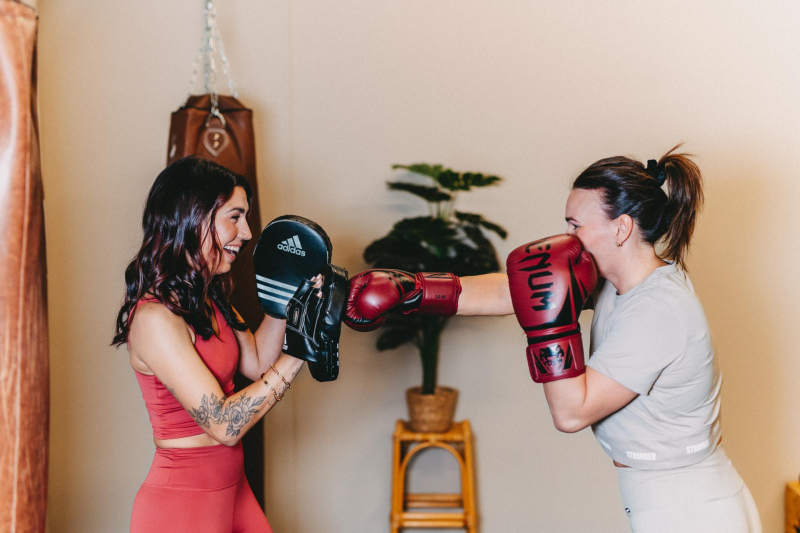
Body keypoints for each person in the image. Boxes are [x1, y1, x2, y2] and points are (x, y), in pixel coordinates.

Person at [345, 146, 762, 533]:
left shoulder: (658, 311)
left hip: (693, 511)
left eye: (576, 225)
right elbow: (514, 291)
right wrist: (414, 290)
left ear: (621, 229)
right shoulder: (624, 283)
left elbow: (571, 412)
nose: (566, 237)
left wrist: (550, 326)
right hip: (673, 501)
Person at [113, 157, 313, 533]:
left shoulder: (210, 295)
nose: (248, 232)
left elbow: (256, 363)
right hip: (183, 505)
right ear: (194, 217)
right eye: (235, 217)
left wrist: (290, 295)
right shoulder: (155, 318)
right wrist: (303, 349)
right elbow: (223, 423)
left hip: (233, 490)